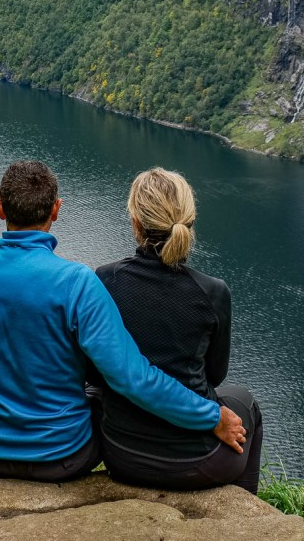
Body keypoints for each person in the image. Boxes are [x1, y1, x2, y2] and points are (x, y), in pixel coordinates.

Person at [0, 160, 246, 483]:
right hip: (61, 456)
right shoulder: (76, 282)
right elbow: (132, 378)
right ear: (56, 209)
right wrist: (212, 416)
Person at [95, 167, 263, 493]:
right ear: (189, 222)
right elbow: (214, 376)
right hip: (198, 462)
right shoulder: (213, 292)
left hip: (121, 453)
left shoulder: (105, 280)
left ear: (136, 223)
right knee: (246, 403)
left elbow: (94, 371)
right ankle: (246, 515)